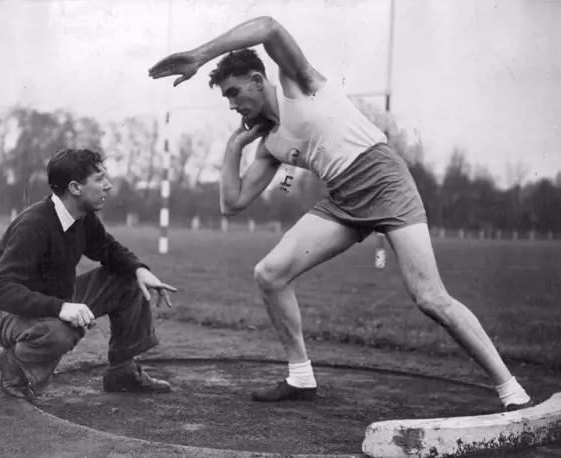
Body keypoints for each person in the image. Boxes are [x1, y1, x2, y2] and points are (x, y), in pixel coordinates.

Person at [149, 16, 532, 411]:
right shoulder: (269, 142)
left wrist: (199, 55)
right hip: (344, 199)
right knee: (270, 273)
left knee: (430, 298)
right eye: (226, 99)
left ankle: (511, 389)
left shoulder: (300, 84)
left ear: (258, 81)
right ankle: (300, 378)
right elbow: (232, 203)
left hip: (384, 181)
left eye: (234, 92)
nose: (232, 104)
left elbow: (268, 27)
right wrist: (234, 147)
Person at [0, 148, 176, 400]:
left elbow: (109, 250)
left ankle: (122, 372)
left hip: (57, 300)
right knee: (60, 332)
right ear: (75, 188)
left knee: (127, 278)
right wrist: (60, 308)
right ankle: (15, 370)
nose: (108, 185)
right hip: (6, 312)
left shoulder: (83, 218)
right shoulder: (34, 225)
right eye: (99, 179)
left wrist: (139, 269)